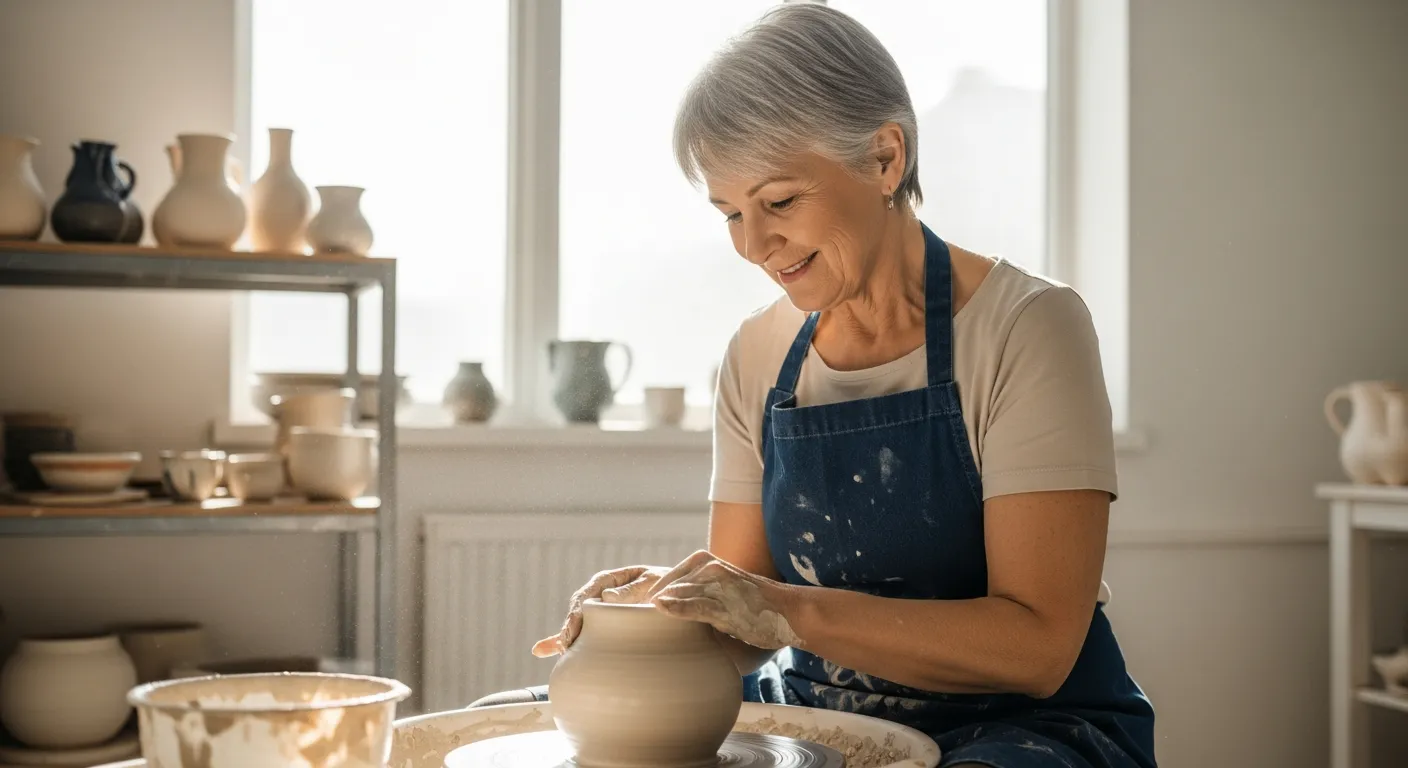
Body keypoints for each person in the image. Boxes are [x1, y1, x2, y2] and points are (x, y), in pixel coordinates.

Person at [474, 4, 1156, 767]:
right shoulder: (758, 354)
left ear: (885, 158)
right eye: (729, 212)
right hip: (812, 712)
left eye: (778, 202)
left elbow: (1038, 647)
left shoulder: (1029, 327)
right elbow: (742, 623)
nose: (753, 245)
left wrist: (785, 609)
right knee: (502, 728)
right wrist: (660, 606)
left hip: (1025, 729)